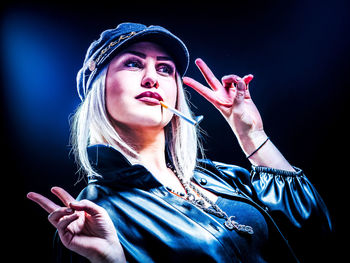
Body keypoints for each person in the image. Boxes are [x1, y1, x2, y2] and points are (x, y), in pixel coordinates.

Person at [27, 22, 332, 263]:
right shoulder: (92, 216)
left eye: (165, 69)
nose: (152, 79)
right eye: (133, 64)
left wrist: (251, 133)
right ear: (99, 90)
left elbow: (314, 235)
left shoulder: (225, 178)